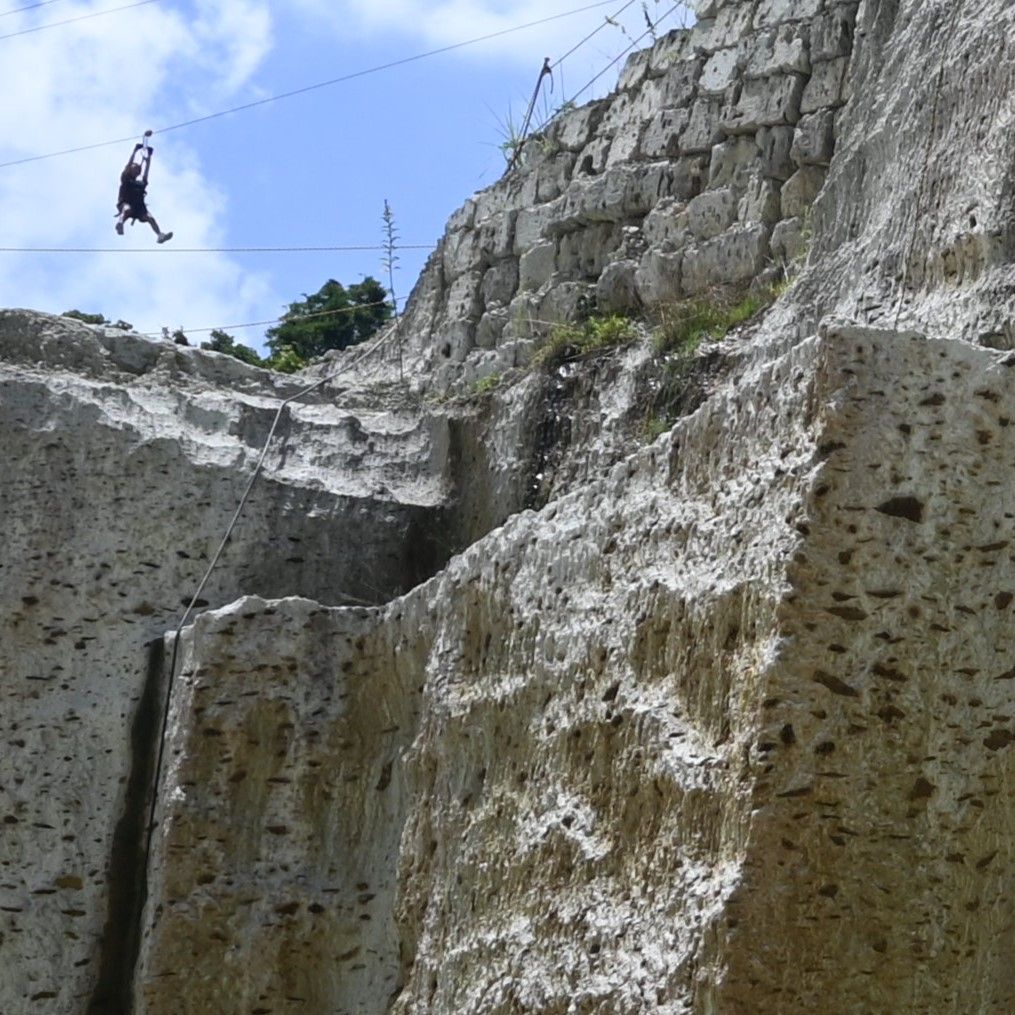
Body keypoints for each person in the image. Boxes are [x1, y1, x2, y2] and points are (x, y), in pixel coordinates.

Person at [115, 134, 172, 244]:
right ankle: (120, 223)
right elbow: (128, 164)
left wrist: (149, 157)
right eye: (134, 168)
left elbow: (146, 169)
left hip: (139, 208)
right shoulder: (126, 178)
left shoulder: (141, 183)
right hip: (126, 203)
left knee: (150, 218)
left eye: (137, 169)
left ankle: (160, 235)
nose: (136, 169)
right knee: (126, 208)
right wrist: (135, 151)